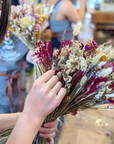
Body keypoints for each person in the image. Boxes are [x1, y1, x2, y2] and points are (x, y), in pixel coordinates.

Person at [0, 1, 66, 144]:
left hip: (18, 87)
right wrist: (31, 118)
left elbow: (26, 55)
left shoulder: (18, 28)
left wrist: (29, 117)